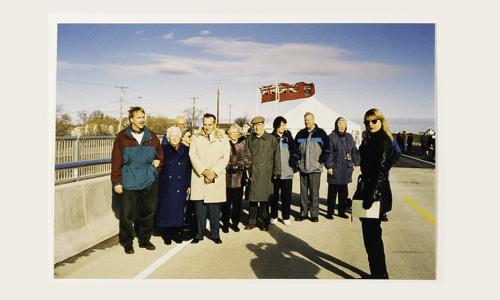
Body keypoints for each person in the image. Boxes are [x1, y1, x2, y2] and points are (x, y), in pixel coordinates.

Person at [111, 107, 163, 254]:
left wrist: (154, 170)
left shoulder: (152, 136)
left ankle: (144, 240)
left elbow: (160, 157)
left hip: (148, 180)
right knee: (127, 214)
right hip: (129, 180)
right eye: (139, 117)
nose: (142, 120)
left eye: (143, 117)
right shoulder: (122, 137)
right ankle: (127, 242)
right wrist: (117, 182)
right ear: (131, 119)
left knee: (147, 212)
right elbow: (116, 161)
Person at [358, 108, 394, 279]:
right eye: (367, 122)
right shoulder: (371, 140)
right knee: (370, 238)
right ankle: (377, 273)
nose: (370, 124)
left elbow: (381, 171)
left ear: (381, 121)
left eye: (374, 121)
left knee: (373, 239)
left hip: (375, 195)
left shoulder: (383, 141)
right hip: (369, 191)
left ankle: (380, 275)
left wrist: (371, 197)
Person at [188, 113, 230, 244]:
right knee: (199, 209)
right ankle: (199, 234)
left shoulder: (223, 138)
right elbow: (192, 155)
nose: (207, 127)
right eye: (204, 124)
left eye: (209, 124)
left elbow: (225, 157)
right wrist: (204, 171)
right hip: (200, 176)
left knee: (214, 209)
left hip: (215, 177)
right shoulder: (196, 137)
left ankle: (215, 234)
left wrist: (213, 172)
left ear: (215, 124)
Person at [155, 126, 191, 245]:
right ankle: (167, 234)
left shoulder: (186, 149)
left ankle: (177, 232)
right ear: (168, 138)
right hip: (166, 184)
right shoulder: (163, 149)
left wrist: (189, 184)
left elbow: (189, 169)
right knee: (166, 210)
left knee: (179, 209)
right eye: (171, 136)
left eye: (176, 136)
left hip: (181, 184)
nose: (174, 138)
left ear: (180, 137)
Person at [245, 116, 281, 231]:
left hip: (267, 173)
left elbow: (277, 157)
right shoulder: (249, 139)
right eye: (254, 125)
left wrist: (277, 172)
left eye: (259, 125)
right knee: (253, 200)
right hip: (253, 173)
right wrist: (247, 169)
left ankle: (264, 222)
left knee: (265, 200)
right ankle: (252, 222)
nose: (256, 127)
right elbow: (246, 155)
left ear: (263, 125)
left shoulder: (271, 139)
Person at [294, 112, 330, 222]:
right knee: (303, 193)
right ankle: (303, 213)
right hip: (303, 167)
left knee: (314, 193)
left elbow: (327, 149)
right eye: (305, 120)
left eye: (309, 120)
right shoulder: (300, 134)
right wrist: (298, 161)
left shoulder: (321, 133)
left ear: (313, 120)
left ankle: (314, 214)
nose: (307, 122)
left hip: (315, 168)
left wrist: (321, 161)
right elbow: (296, 150)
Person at [325, 117, 358, 219]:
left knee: (344, 193)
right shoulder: (331, 137)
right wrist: (329, 166)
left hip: (346, 169)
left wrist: (354, 162)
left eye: (343, 124)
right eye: (340, 123)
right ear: (336, 125)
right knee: (332, 193)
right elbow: (328, 152)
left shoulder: (349, 137)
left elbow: (353, 151)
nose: (341, 126)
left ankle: (341, 211)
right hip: (335, 168)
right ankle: (329, 213)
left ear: (346, 126)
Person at [222, 124, 252, 233]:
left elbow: (249, 159)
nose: (235, 134)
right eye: (232, 132)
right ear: (228, 133)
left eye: (236, 132)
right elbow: (220, 158)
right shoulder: (224, 144)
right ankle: (225, 223)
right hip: (226, 179)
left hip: (239, 179)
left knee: (237, 204)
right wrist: (229, 165)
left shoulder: (242, 145)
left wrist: (241, 164)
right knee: (226, 204)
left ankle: (235, 223)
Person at [270, 116, 300, 226]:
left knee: (286, 196)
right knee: (274, 197)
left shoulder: (288, 136)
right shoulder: (271, 137)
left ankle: (286, 217)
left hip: (287, 172)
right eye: (281, 125)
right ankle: (273, 216)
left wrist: (293, 165)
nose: (283, 127)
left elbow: (295, 151)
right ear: (276, 125)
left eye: (284, 125)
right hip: (275, 173)